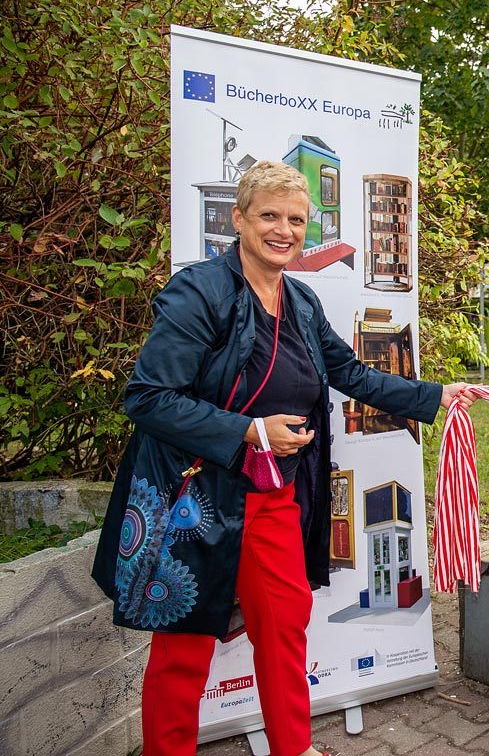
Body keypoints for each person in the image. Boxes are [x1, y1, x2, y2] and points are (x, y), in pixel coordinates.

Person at [92, 161, 468, 756]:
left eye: (296, 219)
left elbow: (348, 373)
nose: (284, 229)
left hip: (273, 497)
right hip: (196, 499)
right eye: (269, 215)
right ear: (238, 219)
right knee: (183, 651)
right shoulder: (199, 291)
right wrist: (249, 431)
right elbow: (147, 398)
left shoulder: (300, 298)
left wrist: (433, 396)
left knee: (284, 633)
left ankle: (292, 749)